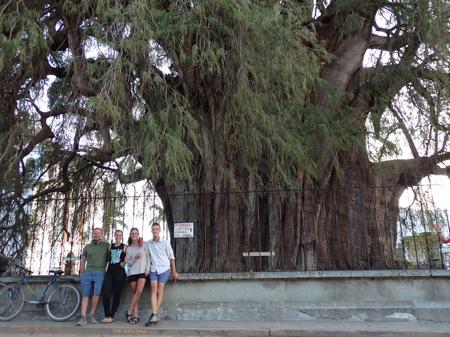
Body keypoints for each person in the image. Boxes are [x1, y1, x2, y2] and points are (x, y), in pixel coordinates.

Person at [145, 222, 178, 326]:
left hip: (165, 269)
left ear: (159, 231)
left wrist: (174, 271)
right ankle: (155, 315)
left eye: (156, 229)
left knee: (160, 288)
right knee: (153, 289)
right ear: (151, 231)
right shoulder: (148, 243)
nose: (155, 231)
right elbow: (145, 254)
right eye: (153, 229)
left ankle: (154, 314)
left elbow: (171, 257)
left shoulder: (165, 242)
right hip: (154, 269)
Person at [77, 227, 109, 326]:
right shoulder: (87, 247)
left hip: (100, 272)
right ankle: (83, 317)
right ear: (92, 234)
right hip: (88, 272)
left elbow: (113, 256)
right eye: (95, 233)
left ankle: (92, 315)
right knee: (85, 294)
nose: (96, 235)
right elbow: (82, 260)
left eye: (98, 233)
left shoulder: (106, 246)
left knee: (97, 293)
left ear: (102, 234)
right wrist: (82, 273)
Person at [100, 229, 127, 323]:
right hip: (110, 272)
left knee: (116, 293)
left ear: (122, 237)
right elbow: (107, 259)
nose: (118, 237)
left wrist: (125, 263)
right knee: (106, 293)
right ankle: (106, 315)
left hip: (120, 272)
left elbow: (129, 257)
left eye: (120, 235)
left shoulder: (124, 247)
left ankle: (111, 316)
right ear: (114, 236)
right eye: (117, 235)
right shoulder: (110, 246)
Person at [125, 227, 150, 324]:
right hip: (132, 273)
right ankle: (136, 315)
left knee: (139, 292)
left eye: (135, 233)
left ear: (138, 234)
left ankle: (129, 311)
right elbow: (129, 263)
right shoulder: (129, 248)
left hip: (142, 272)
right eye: (132, 234)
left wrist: (147, 269)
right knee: (135, 293)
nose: (134, 235)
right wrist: (135, 258)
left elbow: (148, 257)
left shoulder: (144, 244)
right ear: (130, 236)